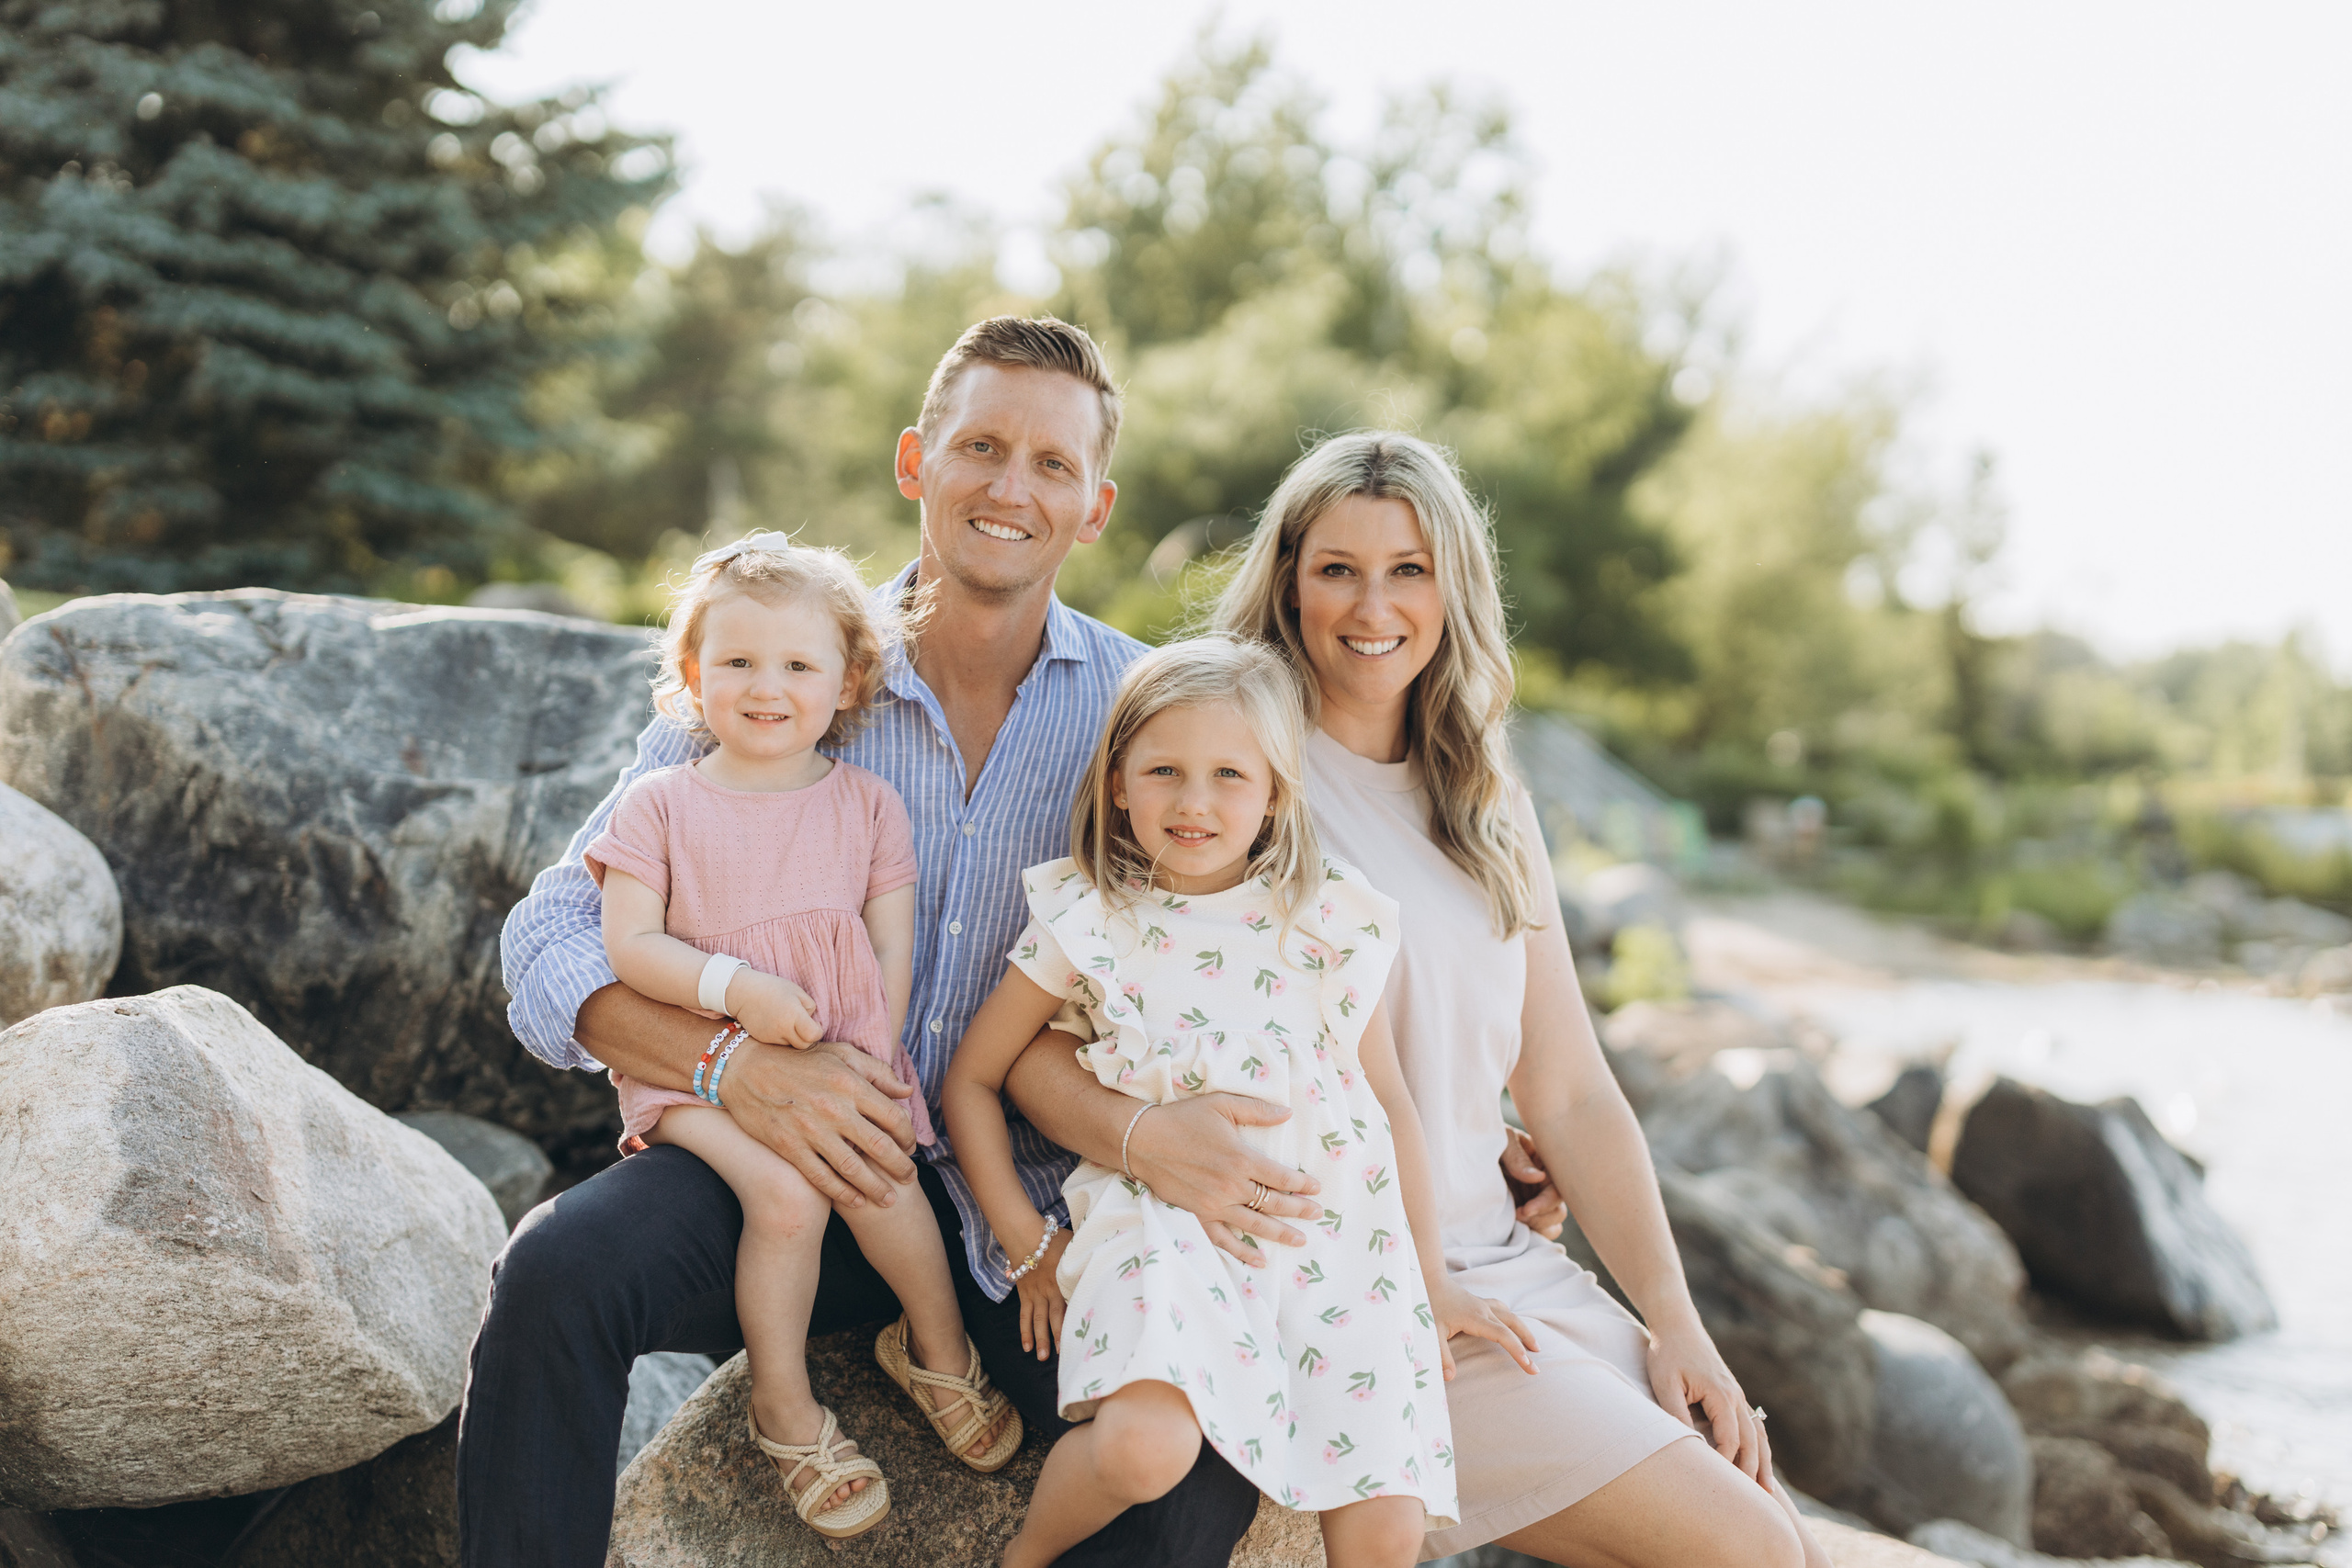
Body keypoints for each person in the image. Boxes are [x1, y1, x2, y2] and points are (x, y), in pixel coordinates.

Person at [467, 316, 1267, 1568]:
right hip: (778, 1154)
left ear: (1095, 505)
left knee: (1190, 1471)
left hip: (1027, 1207)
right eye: (980, 446)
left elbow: (1270, 939)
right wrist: (736, 1066)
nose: (1012, 487)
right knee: (557, 1271)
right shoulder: (787, 659)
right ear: (915, 462)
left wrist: (1480, 1130)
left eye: (1051, 465)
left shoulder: (1144, 710)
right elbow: (549, 935)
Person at [1002, 432, 1831, 1568]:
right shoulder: (1225, 769)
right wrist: (1145, 1139)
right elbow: (1055, 1035)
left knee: (1781, 1530)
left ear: (1454, 586)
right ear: (1289, 579)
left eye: (1409, 569)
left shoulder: (1488, 800)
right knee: (1752, 1554)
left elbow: (1572, 1090)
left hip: (1504, 1256)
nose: (1371, 605)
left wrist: (1676, 1322)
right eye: (1337, 568)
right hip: (1349, 1283)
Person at [948, 637, 1537, 1567]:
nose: (1193, 802)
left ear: (1275, 795)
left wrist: (1428, 1276)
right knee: (1146, 1449)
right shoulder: (1091, 916)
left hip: (1337, 1241)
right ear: (1116, 783)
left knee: (1385, 1528)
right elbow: (973, 1078)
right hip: (1172, 1234)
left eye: (1230, 774)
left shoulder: (1330, 917)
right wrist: (1024, 1242)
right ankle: (1022, 1559)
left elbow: (1384, 1103)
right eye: (1163, 771)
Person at [585, 536, 1018, 1540]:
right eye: (736, 662)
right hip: (700, 1075)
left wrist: (876, 1050)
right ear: (691, 674)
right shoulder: (660, 806)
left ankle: (938, 1349)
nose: (765, 687)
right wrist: (735, 989)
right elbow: (629, 945)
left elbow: (889, 944)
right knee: (784, 1197)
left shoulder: (868, 805)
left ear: (849, 680)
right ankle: (784, 1407)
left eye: (796, 665)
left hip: (842, 1058)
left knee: (881, 1176)